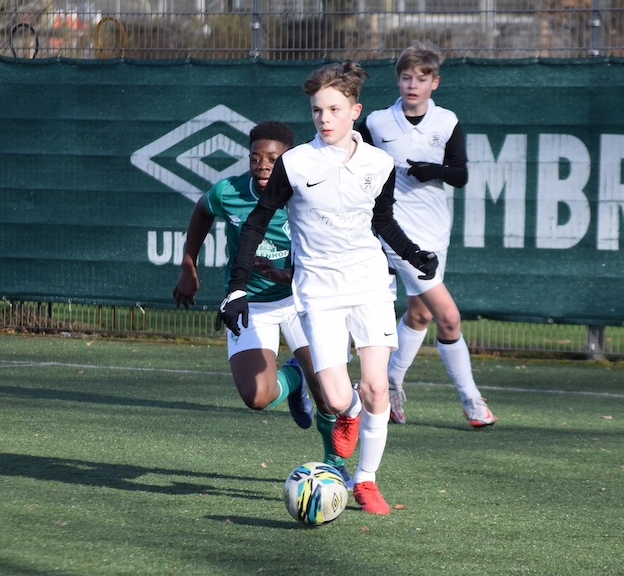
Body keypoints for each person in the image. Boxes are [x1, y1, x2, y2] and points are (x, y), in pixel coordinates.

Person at [217, 61, 438, 515]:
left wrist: (414, 254)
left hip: (370, 285)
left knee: (377, 387)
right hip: (317, 292)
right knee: (338, 399)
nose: (324, 118)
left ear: (355, 111)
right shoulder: (296, 163)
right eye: (317, 110)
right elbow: (256, 223)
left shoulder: (379, 163)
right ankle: (349, 415)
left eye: (334, 109)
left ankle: (365, 480)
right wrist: (236, 288)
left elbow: (382, 222)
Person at [173, 120, 350, 482]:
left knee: (330, 394)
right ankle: (294, 378)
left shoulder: (308, 195)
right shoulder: (230, 192)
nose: (263, 165)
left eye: (273, 158)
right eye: (256, 158)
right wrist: (188, 265)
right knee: (257, 397)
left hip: (302, 300)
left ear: (289, 158)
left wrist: (284, 275)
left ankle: (335, 463)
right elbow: (203, 210)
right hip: (250, 304)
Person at [357, 40, 497, 429]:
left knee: (419, 314)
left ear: (435, 82)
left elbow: (460, 175)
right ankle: (471, 400)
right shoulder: (377, 123)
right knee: (448, 318)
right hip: (397, 233)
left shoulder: (446, 121)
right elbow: (350, 159)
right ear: (397, 80)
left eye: (421, 78)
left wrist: (432, 170)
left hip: (436, 230)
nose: (412, 85)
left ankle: (391, 383)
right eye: (406, 77)